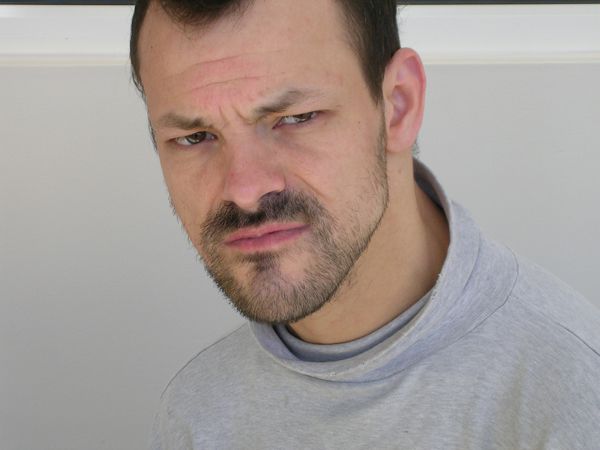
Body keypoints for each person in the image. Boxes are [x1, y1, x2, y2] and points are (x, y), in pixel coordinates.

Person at [129, 0, 600, 448]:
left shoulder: (569, 396)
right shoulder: (196, 412)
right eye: (194, 137)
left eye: (295, 118)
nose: (245, 188)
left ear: (398, 104)